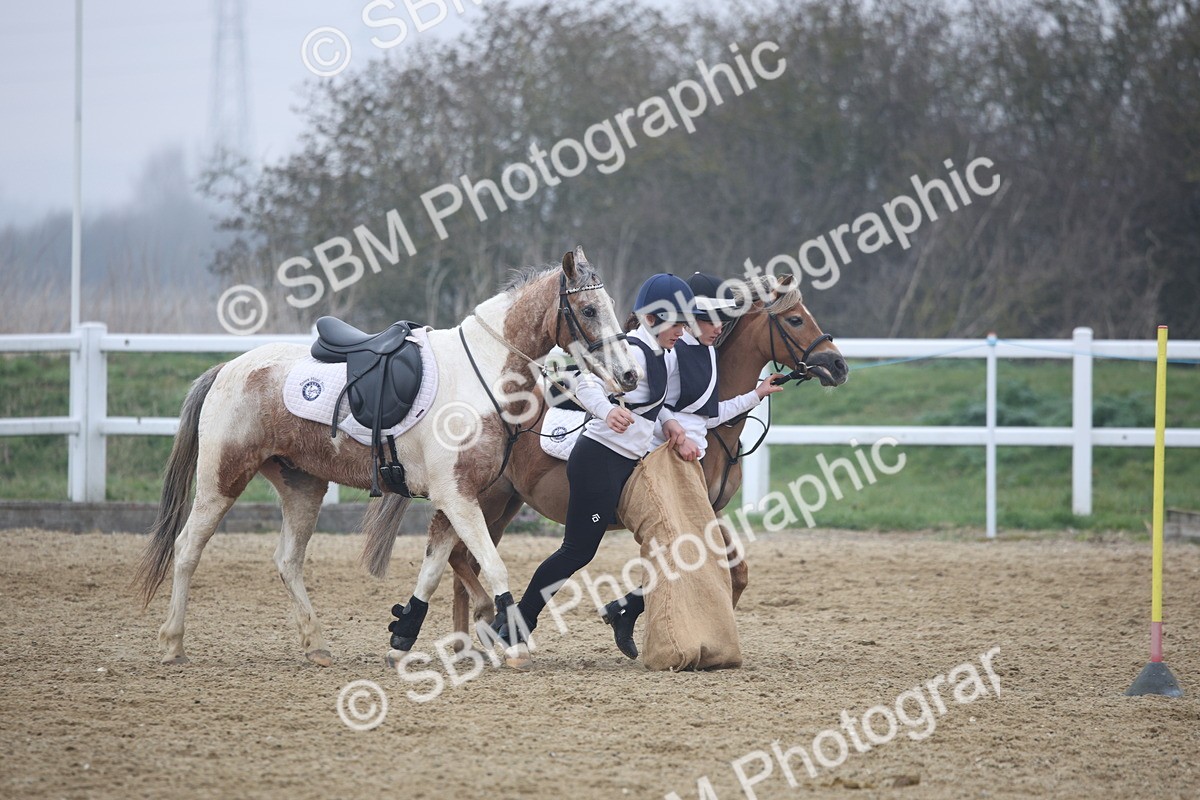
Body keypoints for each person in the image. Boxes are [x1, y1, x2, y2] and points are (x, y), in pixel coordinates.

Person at [479, 273, 696, 661]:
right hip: (598, 460)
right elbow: (583, 384)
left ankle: (624, 609)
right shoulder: (632, 349)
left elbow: (652, 406)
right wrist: (607, 410)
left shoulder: (663, 352)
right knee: (577, 551)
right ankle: (516, 623)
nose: (683, 331)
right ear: (652, 318)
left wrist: (673, 426)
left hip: (623, 462)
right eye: (677, 323)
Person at [600, 271, 785, 659]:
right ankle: (665, 634)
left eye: (721, 319)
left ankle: (632, 610)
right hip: (669, 459)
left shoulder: (707, 352)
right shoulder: (675, 350)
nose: (717, 327)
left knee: (693, 551)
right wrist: (675, 435)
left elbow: (707, 415)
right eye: (707, 318)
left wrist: (756, 394)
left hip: (690, 458)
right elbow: (658, 404)